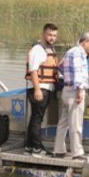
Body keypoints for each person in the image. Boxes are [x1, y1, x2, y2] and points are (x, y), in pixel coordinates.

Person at [53, 32, 89, 159]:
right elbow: (78, 73)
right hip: (74, 91)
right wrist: (79, 91)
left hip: (66, 89)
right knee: (76, 123)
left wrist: (67, 77)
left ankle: (59, 150)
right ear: (85, 42)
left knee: (63, 122)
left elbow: (60, 66)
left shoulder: (70, 51)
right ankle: (77, 152)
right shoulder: (78, 53)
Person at [25, 23, 59, 157]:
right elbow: (33, 70)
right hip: (39, 89)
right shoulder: (38, 49)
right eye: (49, 34)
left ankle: (29, 146)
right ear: (43, 34)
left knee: (35, 117)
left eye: (54, 35)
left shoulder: (49, 49)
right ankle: (37, 149)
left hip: (46, 87)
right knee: (37, 119)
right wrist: (37, 90)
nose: (52, 38)